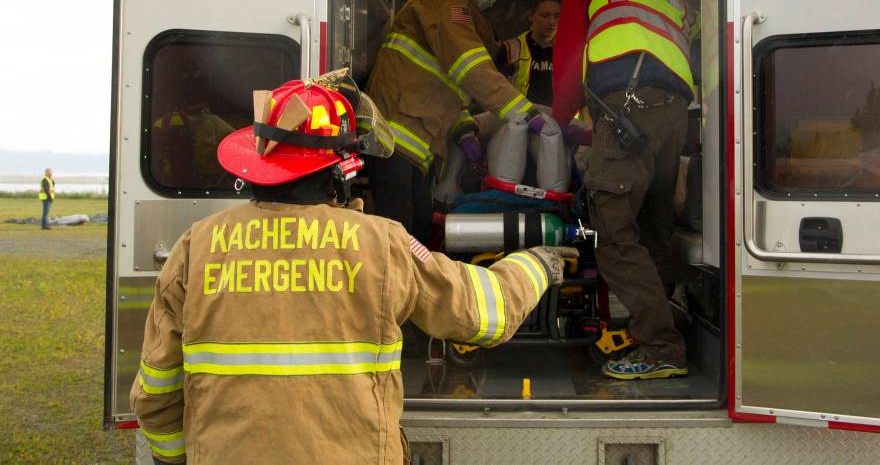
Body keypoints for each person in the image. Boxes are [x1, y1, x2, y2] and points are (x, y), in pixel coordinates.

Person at [130, 77, 575, 464]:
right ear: (342, 169)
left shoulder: (197, 245)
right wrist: (537, 263)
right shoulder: (381, 242)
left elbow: (155, 392)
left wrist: (175, 460)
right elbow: (485, 313)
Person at [552, 0, 697, 380]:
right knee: (654, 226)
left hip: (629, 107)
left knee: (611, 232)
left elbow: (569, 57)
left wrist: (560, 121)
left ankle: (661, 346)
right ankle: (664, 327)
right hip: (673, 114)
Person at [366, 0, 548, 240]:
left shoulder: (471, 21)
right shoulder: (447, 3)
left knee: (417, 231)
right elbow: (471, 70)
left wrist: (463, 128)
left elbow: (447, 89)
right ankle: (395, 287)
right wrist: (525, 112)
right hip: (394, 138)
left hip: (415, 145)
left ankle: (413, 287)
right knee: (398, 236)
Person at [496, 0, 560, 107]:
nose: (551, 22)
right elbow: (496, 91)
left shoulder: (566, 52)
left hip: (557, 121)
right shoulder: (510, 49)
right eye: (545, 15)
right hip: (521, 119)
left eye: (557, 16)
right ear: (531, 16)